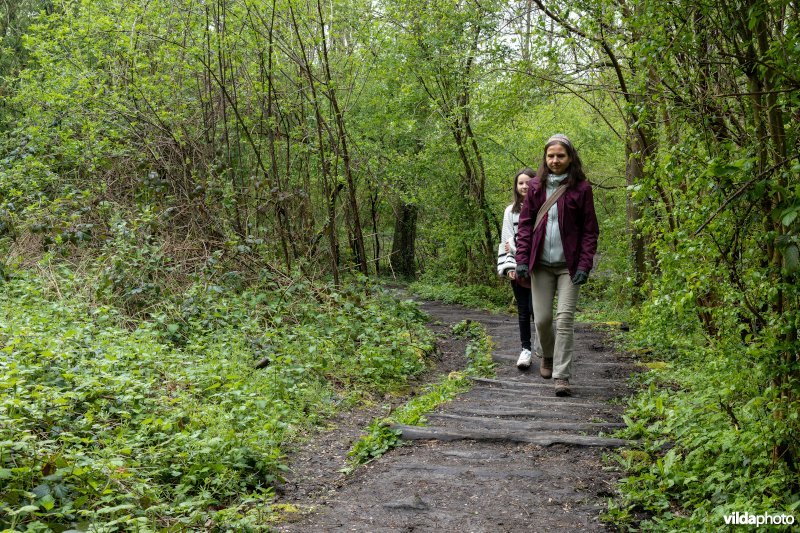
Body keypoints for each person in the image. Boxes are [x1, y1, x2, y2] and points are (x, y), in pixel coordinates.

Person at [514, 134, 599, 397]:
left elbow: (590, 230)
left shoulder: (581, 189)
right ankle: (547, 355)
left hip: (569, 267)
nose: (555, 160)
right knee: (542, 320)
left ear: (570, 158)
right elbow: (526, 226)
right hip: (540, 265)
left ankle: (562, 376)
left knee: (564, 320)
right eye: (551, 156)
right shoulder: (537, 187)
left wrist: (585, 264)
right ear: (545, 158)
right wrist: (522, 261)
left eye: (560, 155)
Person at [497, 168, 539, 370]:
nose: (524, 186)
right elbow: (507, 240)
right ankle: (526, 349)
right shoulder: (510, 211)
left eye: (528, 182)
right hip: (517, 265)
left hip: (540, 265)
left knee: (538, 310)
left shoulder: (543, 206)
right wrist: (509, 266)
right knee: (523, 310)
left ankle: (543, 347)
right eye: (520, 183)